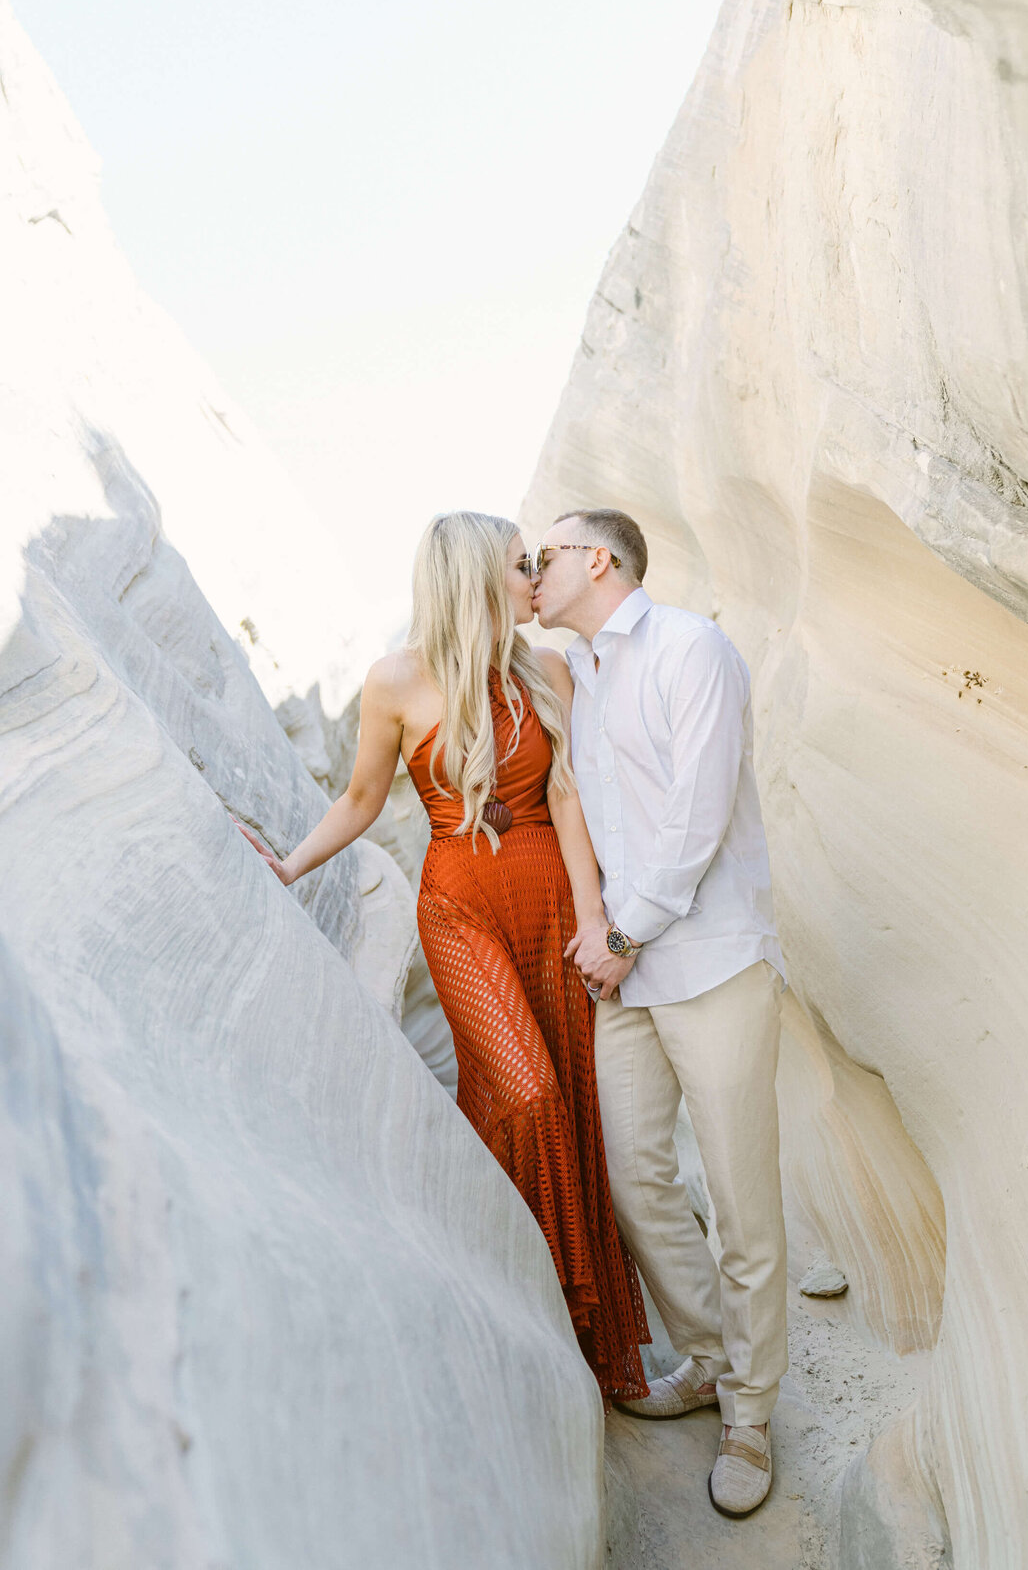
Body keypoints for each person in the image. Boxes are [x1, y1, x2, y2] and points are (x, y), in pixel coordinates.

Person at [239, 511, 649, 1404]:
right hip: (460, 910)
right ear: (474, 577)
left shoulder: (542, 670)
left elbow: (570, 797)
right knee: (524, 1089)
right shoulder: (395, 682)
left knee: (570, 1096)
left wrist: (593, 915)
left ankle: (586, 1340)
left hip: (547, 904)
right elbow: (358, 799)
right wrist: (290, 865)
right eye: (519, 565)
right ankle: (520, 1297)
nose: (533, 577)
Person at [530, 508, 788, 1517]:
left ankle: (752, 1414)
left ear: (599, 559)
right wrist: (614, 943)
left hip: (710, 960)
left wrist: (620, 932)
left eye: (540, 557)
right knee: (637, 1183)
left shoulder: (692, 649)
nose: (531, 573)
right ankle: (714, 1356)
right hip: (629, 977)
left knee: (739, 1197)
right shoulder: (584, 675)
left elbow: (698, 813)